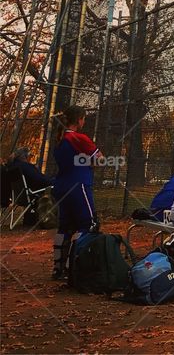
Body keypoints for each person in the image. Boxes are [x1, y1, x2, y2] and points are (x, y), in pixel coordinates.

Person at [51, 105, 101, 279]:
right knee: (89, 224)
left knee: (65, 226)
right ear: (79, 119)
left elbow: (72, 161)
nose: (84, 121)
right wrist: (88, 160)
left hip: (61, 185)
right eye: (83, 118)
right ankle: (72, 267)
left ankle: (58, 269)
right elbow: (100, 160)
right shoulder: (78, 137)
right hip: (78, 186)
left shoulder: (59, 139)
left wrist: (83, 159)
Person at [2, 148, 52, 227]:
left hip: (18, 197)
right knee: (56, 187)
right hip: (30, 195)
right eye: (30, 156)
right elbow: (40, 179)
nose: (30, 158)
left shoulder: (12, 167)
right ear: (24, 157)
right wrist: (54, 181)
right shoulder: (24, 166)